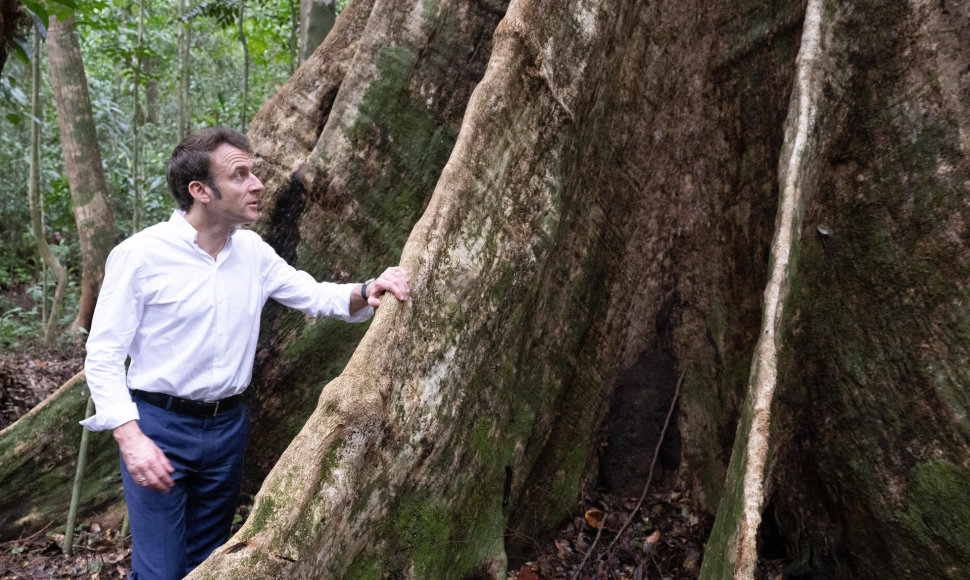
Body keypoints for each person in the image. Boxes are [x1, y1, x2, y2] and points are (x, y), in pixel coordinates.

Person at [82, 127, 410, 580]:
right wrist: (131, 438)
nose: (257, 183)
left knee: (209, 563)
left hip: (226, 428)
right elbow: (102, 355)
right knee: (160, 570)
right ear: (201, 190)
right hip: (158, 427)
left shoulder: (252, 251)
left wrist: (368, 289)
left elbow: (313, 295)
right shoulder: (139, 256)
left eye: (253, 172)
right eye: (240, 175)